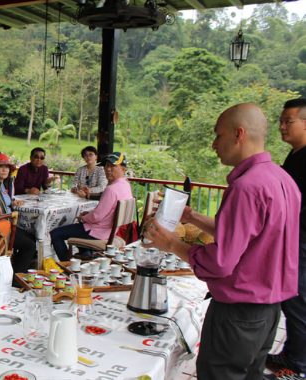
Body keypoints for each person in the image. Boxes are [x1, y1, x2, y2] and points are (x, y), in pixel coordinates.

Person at [143, 103, 300, 380]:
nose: (214, 144)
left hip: (237, 315)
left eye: (218, 135)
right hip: (268, 313)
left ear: (238, 134)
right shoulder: (282, 179)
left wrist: (170, 244)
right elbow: (249, 235)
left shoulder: (247, 186)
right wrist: (192, 216)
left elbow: (221, 262)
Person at [265, 98, 306, 380]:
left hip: (300, 240)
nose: (282, 127)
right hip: (291, 238)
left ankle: (297, 366)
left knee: (297, 301)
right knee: (292, 301)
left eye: (287, 121)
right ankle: (291, 354)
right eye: (280, 121)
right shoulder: (296, 154)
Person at [50, 152, 133, 260]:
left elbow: (96, 217)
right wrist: (89, 215)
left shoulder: (111, 189)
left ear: (123, 169)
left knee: (56, 233)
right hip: (110, 231)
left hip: (98, 233)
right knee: (78, 226)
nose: (108, 169)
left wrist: (84, 217)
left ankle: (68, 266)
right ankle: (86, 256)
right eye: (106, 165)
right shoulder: (126, 185)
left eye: (113, 166)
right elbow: (104, 212)